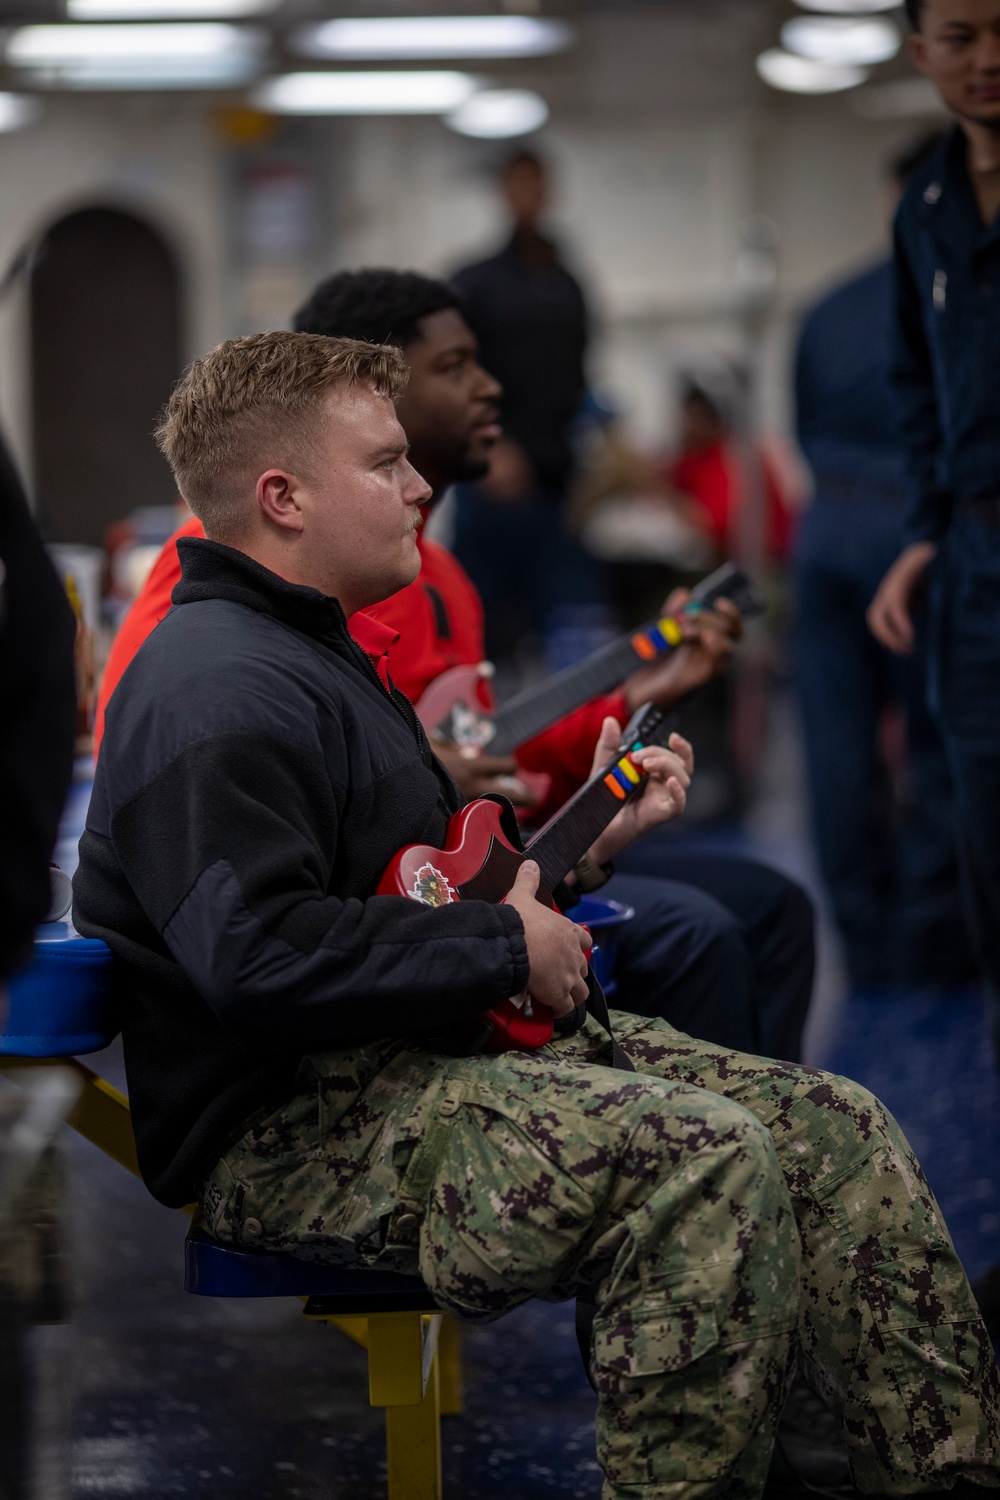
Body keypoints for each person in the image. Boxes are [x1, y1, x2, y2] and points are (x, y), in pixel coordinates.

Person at [73, 330, 1000, 1499]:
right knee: (702, 1162)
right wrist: (509, 941)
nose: (422, 488)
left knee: (834, 1124)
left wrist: (576, 855)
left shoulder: (315, 654)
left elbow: (411, 894)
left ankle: (947, 1473)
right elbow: (258, 957)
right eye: (386, 463)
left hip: (413, 1063)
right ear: (282, 497)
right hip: (300, 1131)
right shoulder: (217, 685)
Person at [96, 269, 815, 1065]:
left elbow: (481, 750)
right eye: (454, 367)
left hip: (437, 914)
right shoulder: (240, 607)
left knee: (772, 912)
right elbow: (173, 771)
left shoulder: (422, 579)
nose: (490, 388)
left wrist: (622, 722)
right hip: (367, 994)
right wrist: (501, 931)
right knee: (705, 938)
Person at [865, 0, 1000, 1331]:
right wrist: (924, 536)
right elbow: (917, 394)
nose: (987, 55)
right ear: (920, 52)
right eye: (958, 33)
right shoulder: (923, 214)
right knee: (993, 889)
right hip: (973, 576)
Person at [794, 136, 975, 993]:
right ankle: (930, 941)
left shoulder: (828, 308)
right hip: (917, 535)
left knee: (836, 743)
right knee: (938, 739)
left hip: (825, 530)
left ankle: (864, 944)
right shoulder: (958, 304)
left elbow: (799, 427)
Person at [450, 151, 601, 659]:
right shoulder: (475, 283)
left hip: (554, 483)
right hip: (491, 482)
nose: (526, 196)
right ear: (503, 192)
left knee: (561, 626)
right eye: (516, 184)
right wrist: (488, 449)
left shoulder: (568, 286)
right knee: (480, 626)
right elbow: (448, 379)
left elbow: (579, 379)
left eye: (535, 185)